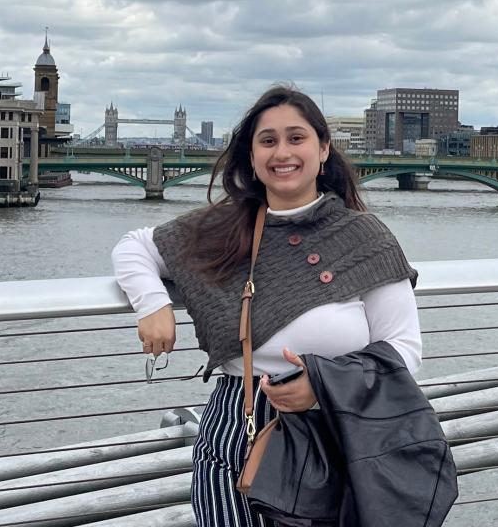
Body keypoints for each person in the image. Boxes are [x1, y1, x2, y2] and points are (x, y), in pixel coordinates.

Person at [112, 85, 422, 526]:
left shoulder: (366, 239)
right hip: (234, 435)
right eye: (268, 140)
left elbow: (405, 351)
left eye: (297, 138)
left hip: (336, 433)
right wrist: (153, 304)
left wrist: (323, 385)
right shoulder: (221, 228)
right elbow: (135, 247)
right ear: (253, 157)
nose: (283, 152)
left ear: (323, 149)